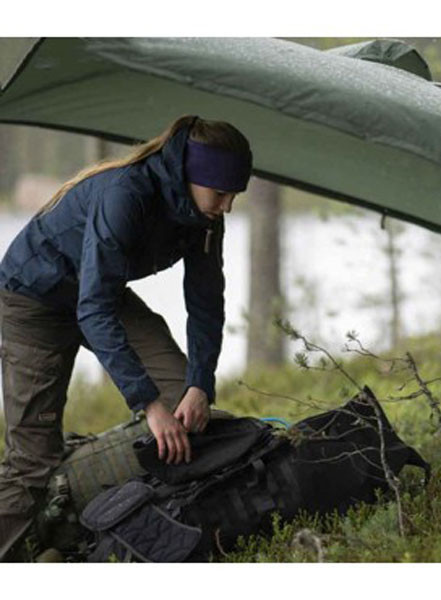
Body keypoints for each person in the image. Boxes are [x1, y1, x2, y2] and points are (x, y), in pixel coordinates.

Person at [0, 114, 253, 560]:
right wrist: (147, 405)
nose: (227, 206)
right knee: (31, 463)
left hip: (100, 291)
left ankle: (141, 521)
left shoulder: (205, 215)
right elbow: (93, 310)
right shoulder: (125, 194)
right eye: (221, 193)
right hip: (33, 300)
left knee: (187, 405)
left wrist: (199, 384)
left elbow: (206, 303)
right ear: (192, 174)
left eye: (235, 195)